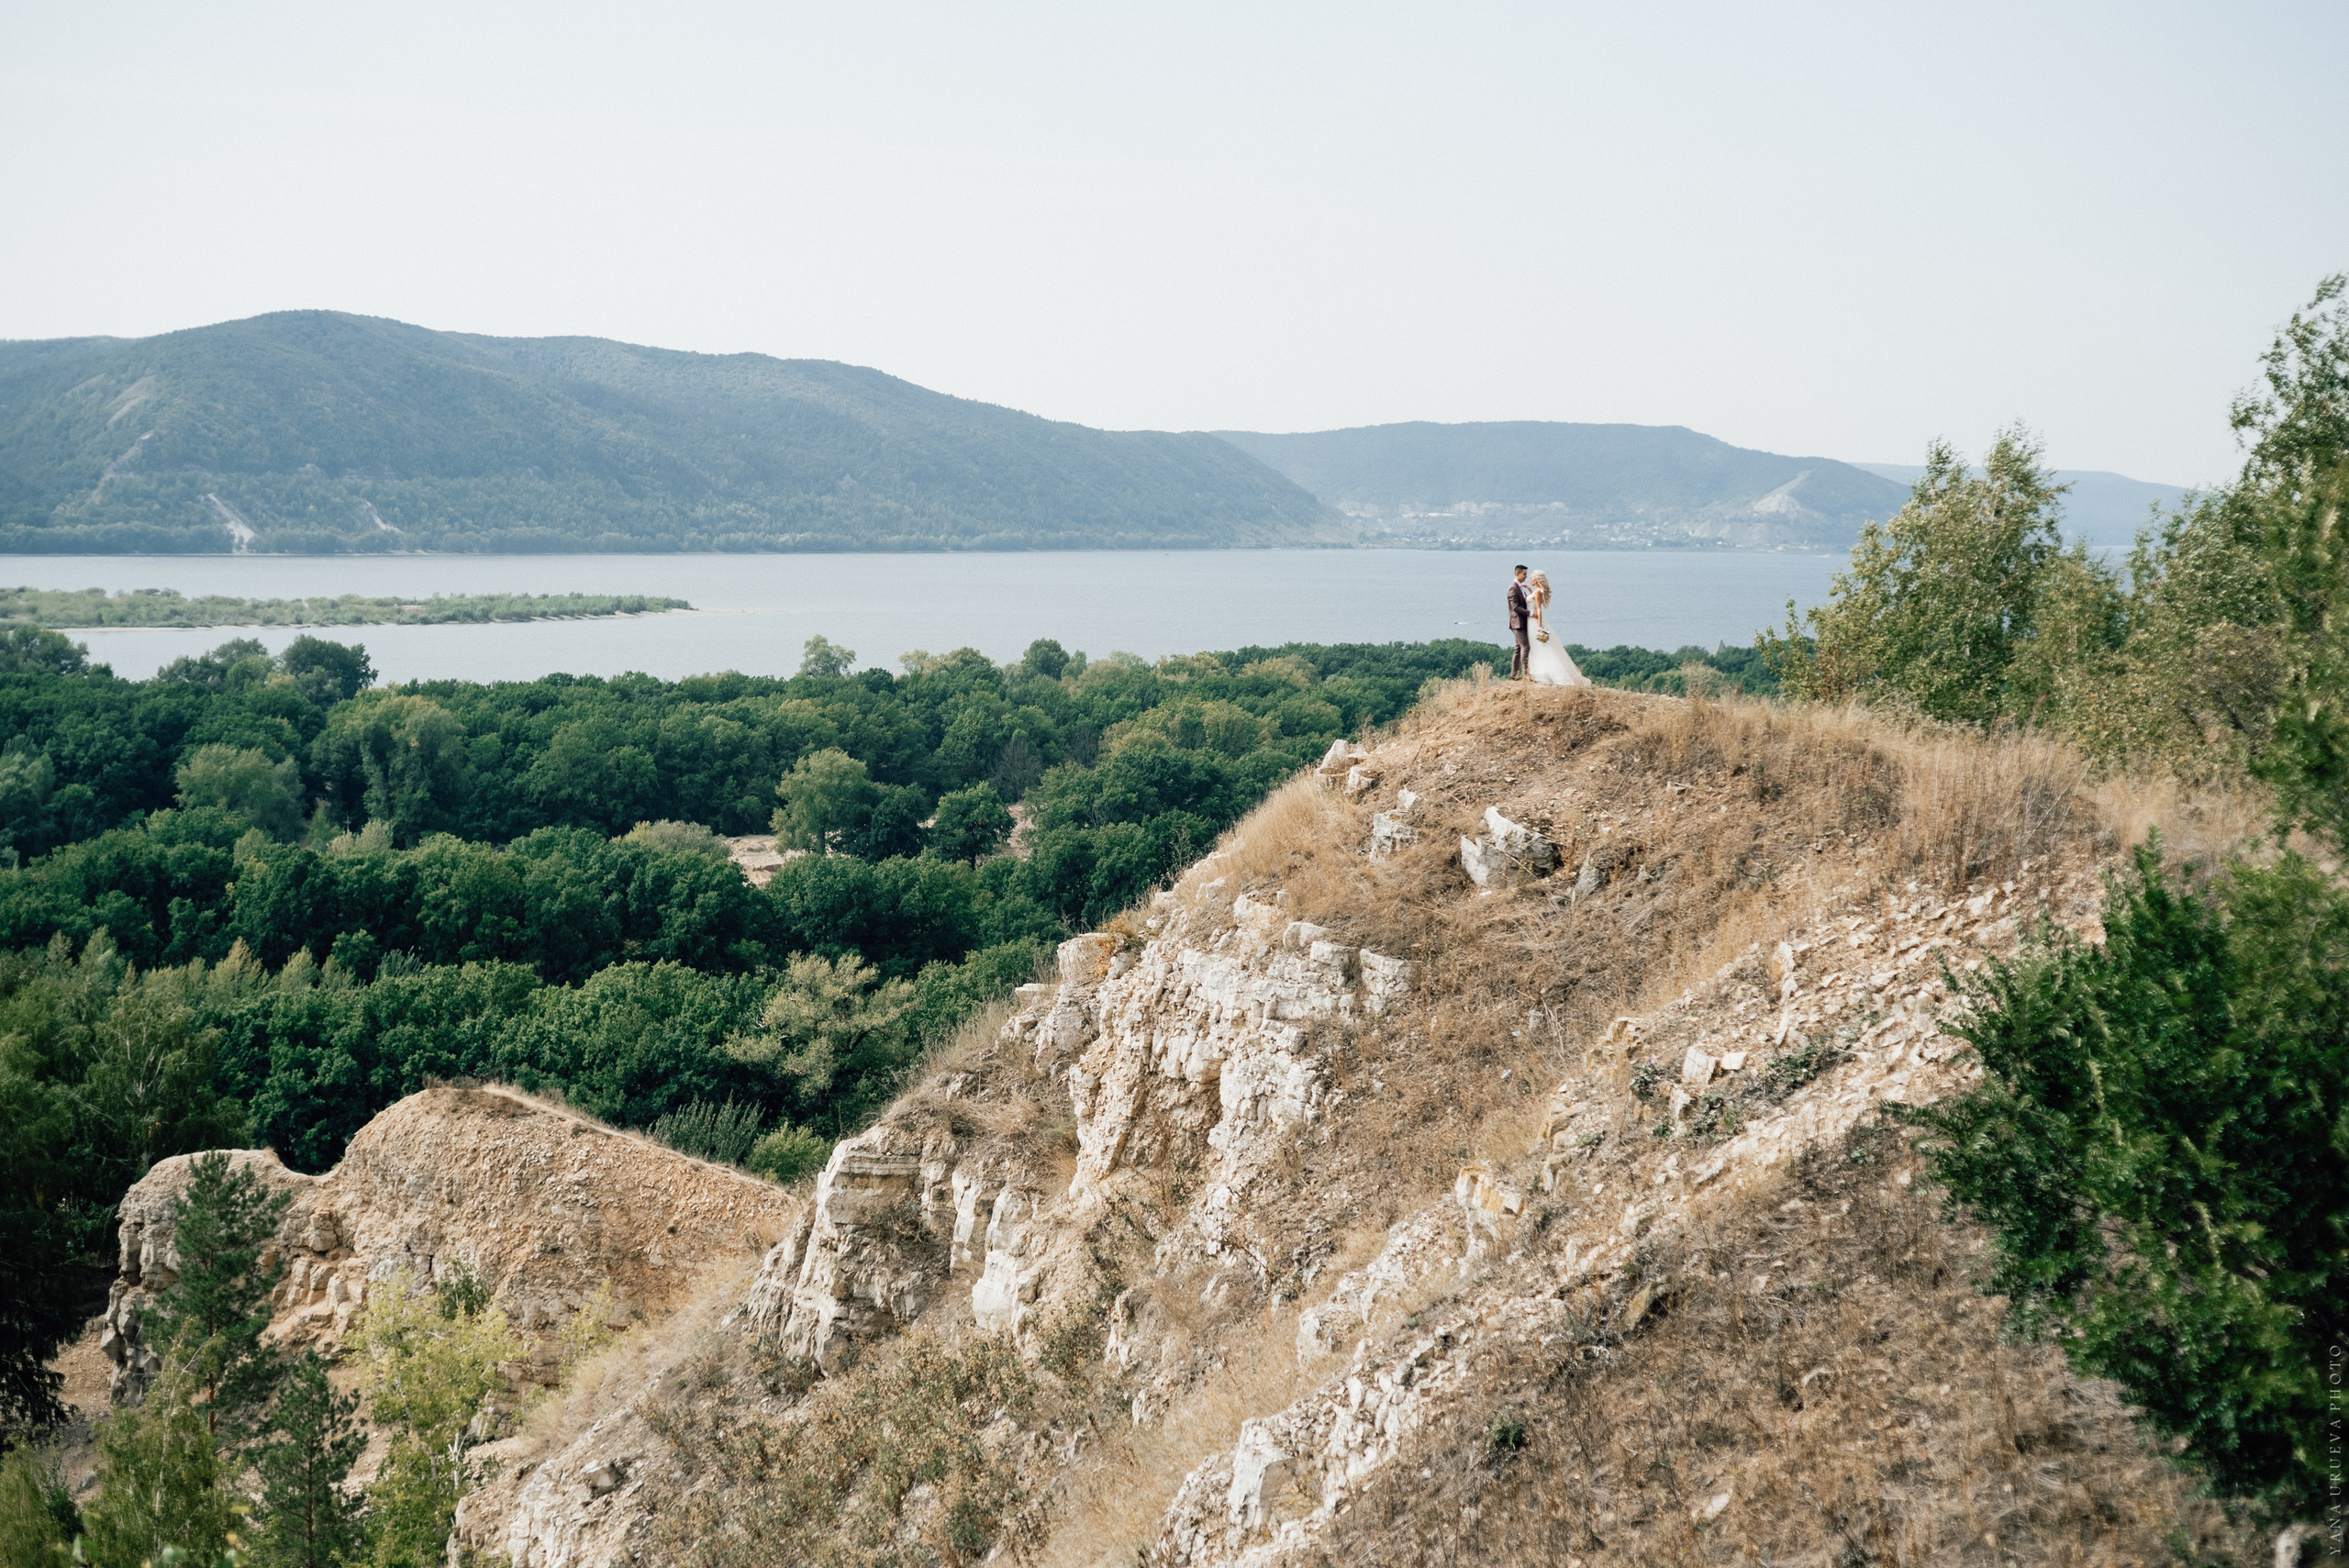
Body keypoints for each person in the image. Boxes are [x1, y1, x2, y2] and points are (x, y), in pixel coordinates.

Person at [1524, 569, 1592, 687]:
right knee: (1535, 646)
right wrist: (1530, 591)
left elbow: (1538, 609)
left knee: (1540, 646)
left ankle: (1542, 673)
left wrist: (1539, 625)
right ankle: (1537, 671)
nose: (1530, 579)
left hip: (1534, 622)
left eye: (1532, 578)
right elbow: (1533, 600)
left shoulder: (1539, 591)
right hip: (1530, 621)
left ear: (1537, 579)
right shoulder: (1536, 591)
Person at [1507, 565, 1531, 679]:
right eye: (1524, 574)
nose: (1526, 576)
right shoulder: (1513, 588)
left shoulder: (1519, 587)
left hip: (1521, 622)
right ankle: (1526, 674)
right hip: (1517, 623)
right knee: (1525, 647)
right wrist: (1530, 613)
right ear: (1517, 573)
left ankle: (1514, 675)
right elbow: (1515, 607)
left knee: (1518, 648)